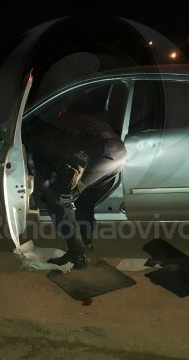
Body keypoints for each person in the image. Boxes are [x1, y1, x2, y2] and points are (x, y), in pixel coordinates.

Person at [26, 106, 127, 269]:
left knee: (58, 200)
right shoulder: (73, 118)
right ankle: (86, 247)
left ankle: (77, 256)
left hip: (100, 154)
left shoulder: (42, 131)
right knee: (83, 196)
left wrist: (47, 190)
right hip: (118, 153)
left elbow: (46, 171)